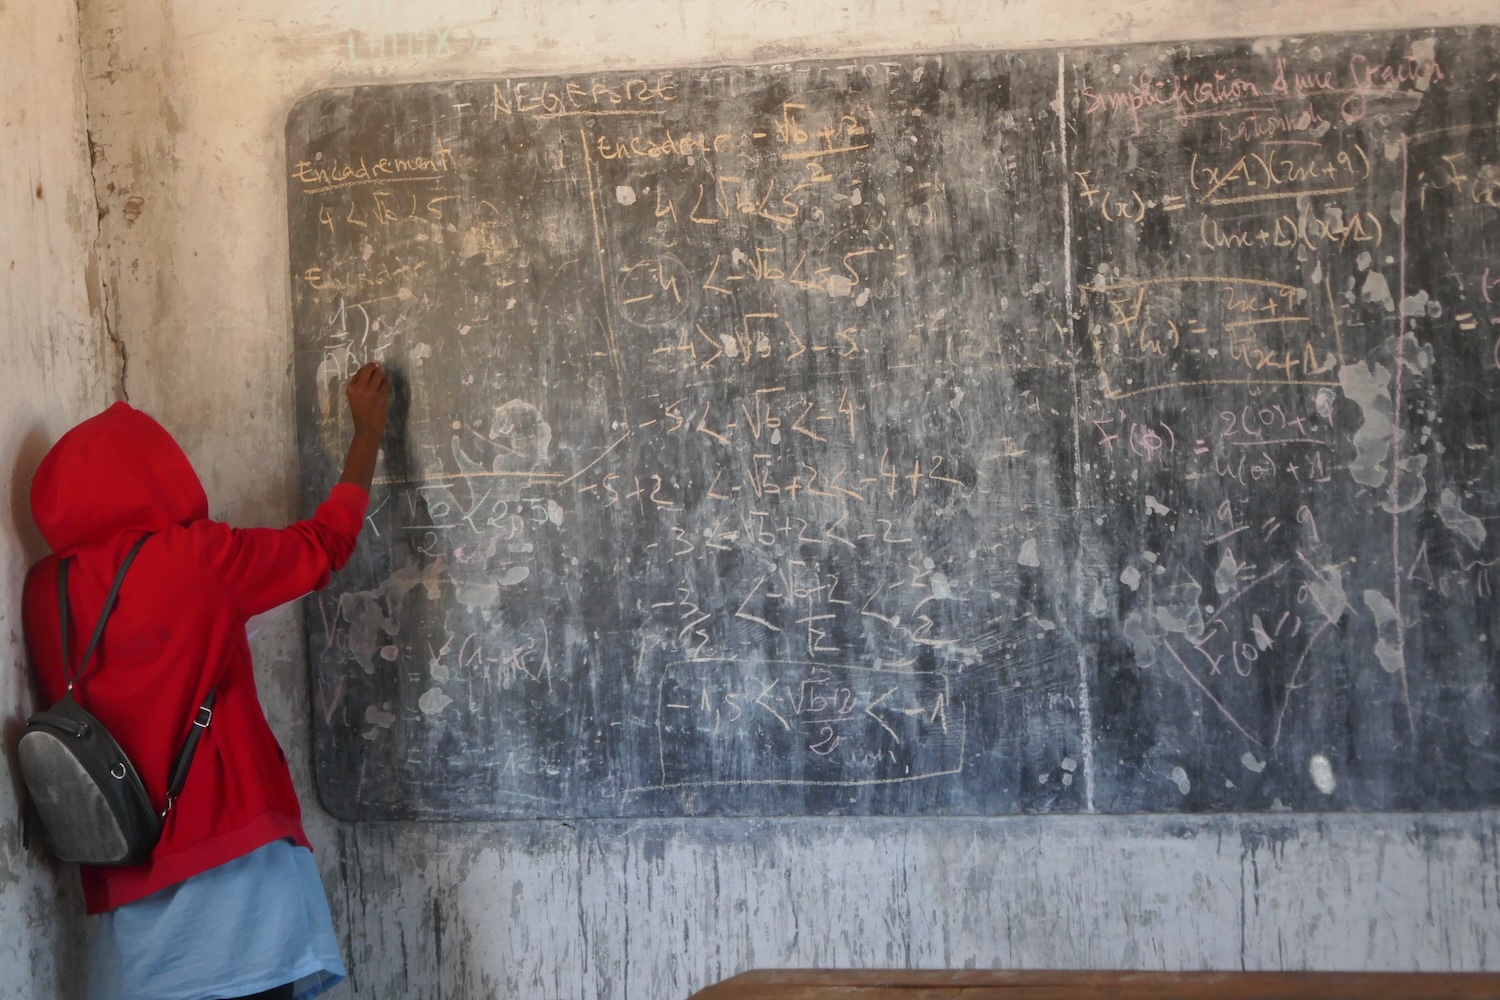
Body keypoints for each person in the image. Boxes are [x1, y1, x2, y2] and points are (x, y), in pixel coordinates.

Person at [21, 363, 390, 1000]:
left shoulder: (44, 589)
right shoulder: (195, 559)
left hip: (124, 889)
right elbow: (325, 542)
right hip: (236, 883)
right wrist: (367, 435)